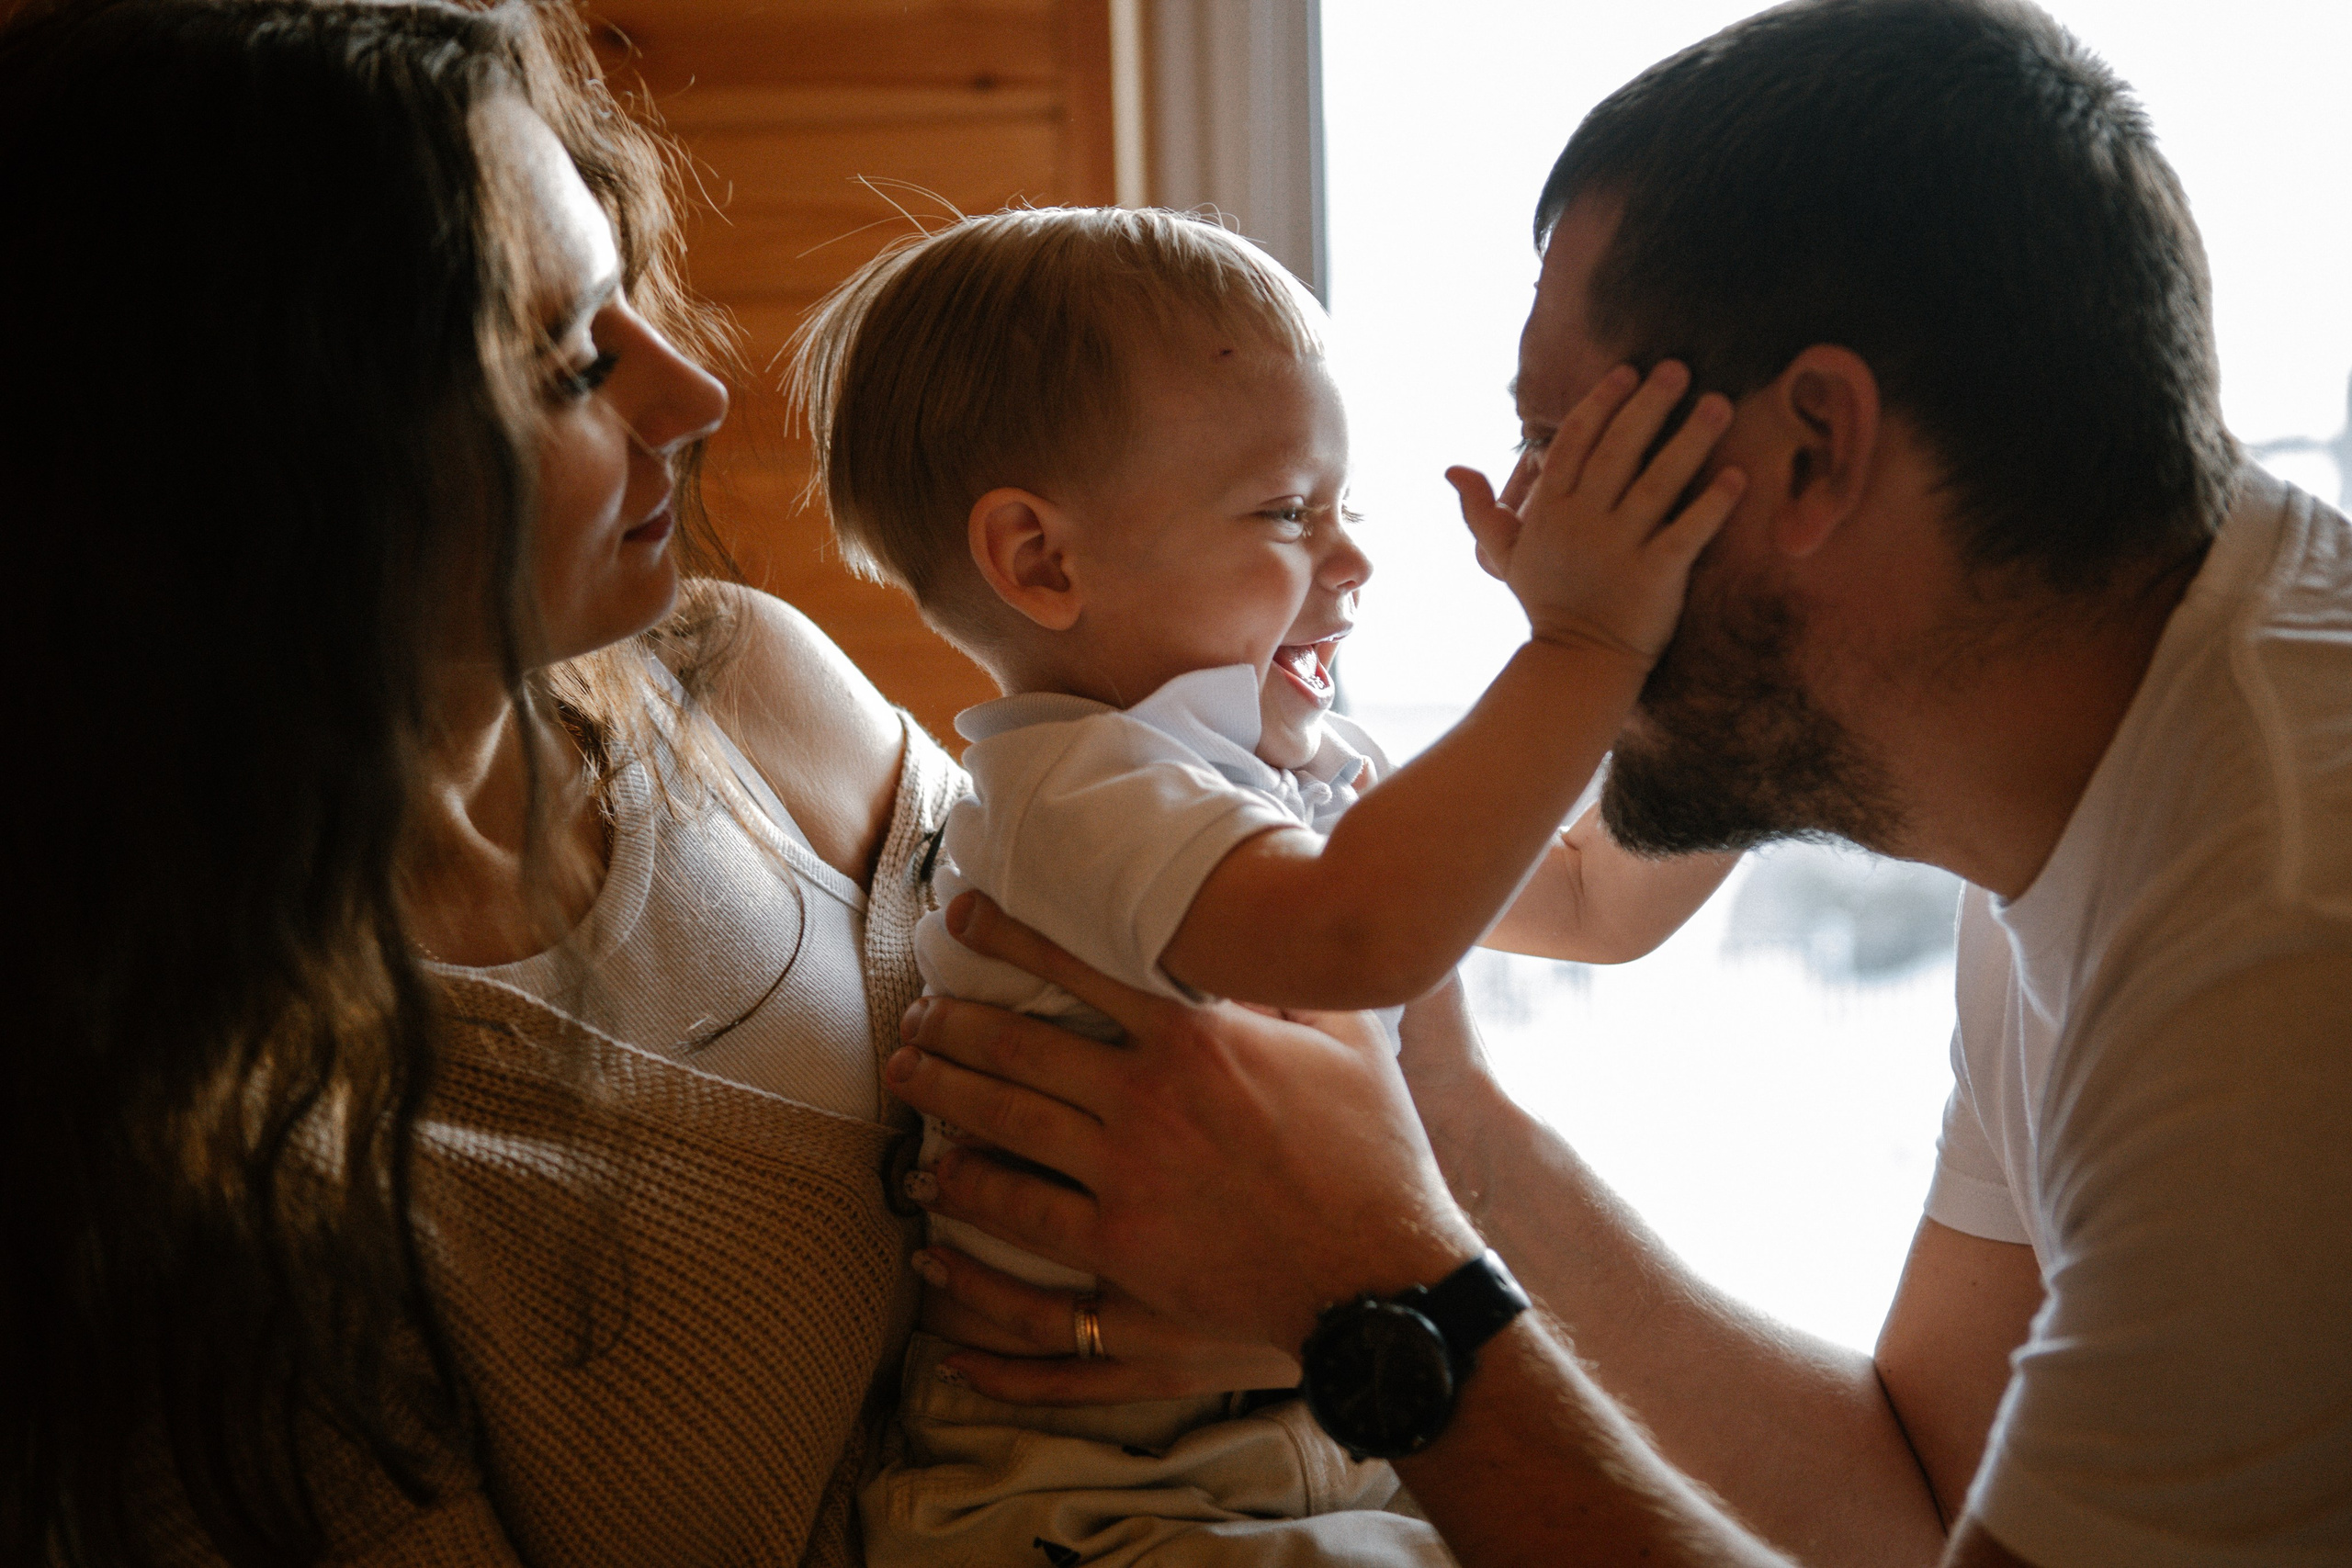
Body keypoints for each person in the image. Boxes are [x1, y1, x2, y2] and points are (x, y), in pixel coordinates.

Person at [882, 2, 2352, 1565]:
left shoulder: (2279, 944)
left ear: (1809, 455)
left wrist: (1396, 1302)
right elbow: (1922, 1507)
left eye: (1560, 451)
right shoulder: (2089, 796)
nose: (1514, 533)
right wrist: (1450, 1148)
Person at [5, 1, 962, 1562]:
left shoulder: (752, 691)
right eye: (573, 359)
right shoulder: (201, 1180)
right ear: (275, 468)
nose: (692, 396)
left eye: (626, 299)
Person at [784, 206, 1743, 1564]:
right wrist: (1584, 642)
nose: (1352, 561)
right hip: (1108, 1520)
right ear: (1042, 562)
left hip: (1304, 1473)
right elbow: (1360, 934)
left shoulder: (1293, 777)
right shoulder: (1084, 795)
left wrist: (1720, 664)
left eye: (1345, 508)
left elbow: (1595, 902)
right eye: (1288, 512)